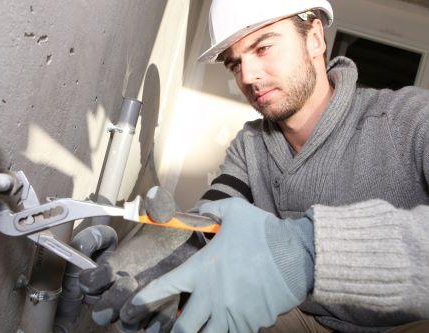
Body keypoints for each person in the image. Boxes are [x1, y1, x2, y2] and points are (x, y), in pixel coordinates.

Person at [81, 0, 429, 332]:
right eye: (235, 63)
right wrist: (158, 253)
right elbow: (212, 218)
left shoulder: (410, 119)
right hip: (308, 316)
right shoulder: (251, 146)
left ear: (315, 39)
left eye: (263, 48)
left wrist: (308, 248)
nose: (247, 76)